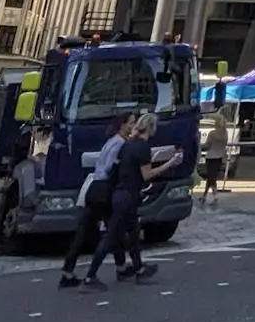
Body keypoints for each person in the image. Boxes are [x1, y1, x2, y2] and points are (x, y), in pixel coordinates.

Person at [86, 111, 181, 287]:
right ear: (151, 128)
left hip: (120, 194)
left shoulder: (128, 145)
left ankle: (138, 269)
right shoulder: (143, 148)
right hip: (128, 196)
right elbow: (147, 175)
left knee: (134, 233)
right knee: (111, 237)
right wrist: (170, 163)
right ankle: (90, 276)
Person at [61, 115, 132, 288]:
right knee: (113, 229)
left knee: (88, 228)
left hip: (95, 186)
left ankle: (68, 270)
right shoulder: (119, 144)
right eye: (131, 122)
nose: (134, 126)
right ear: (122, 125)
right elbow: (109, 167)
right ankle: (115, 268)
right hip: (105, 188)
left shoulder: (110, 141)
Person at [200, 103, 233, 206]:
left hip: (210, 156)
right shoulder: (225, 133)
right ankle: (205, 196)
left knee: (211, 178)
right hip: (220, 156)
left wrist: (200, 145)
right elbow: (225, 144)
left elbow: (207, 145)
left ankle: (213, 196)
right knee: (212, 177)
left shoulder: (212, 134)